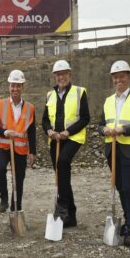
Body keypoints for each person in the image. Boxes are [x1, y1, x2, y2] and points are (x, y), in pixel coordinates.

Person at [98, 60, 130, 246]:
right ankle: (127, 222)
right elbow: (100, 124)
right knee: (120, 187)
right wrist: (103, 129)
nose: (118, 80)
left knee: (128, 188)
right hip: (112, 150)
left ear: (128, 77)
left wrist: (123, 130)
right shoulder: (108, 101)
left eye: (121, 76)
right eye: (115, 77)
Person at [42, 59, 90, 228]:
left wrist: (68, 132)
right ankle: (72, 215)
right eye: (58, 74)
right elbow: (45, 120)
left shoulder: (79, 92)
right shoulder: (50, 95)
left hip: (73, 138)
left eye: (63, 74)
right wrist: (49, 131)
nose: (61, 77)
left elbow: (85, 118)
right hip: (55, 139)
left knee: (62, 162)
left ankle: (61, 206)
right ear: (55, 76)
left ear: (69, 74)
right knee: (62, 176)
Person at [0, 69, 36, 214]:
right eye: (13, 85)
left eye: (18, 85)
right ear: (9, 86)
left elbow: (31, 131)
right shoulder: (1, 103)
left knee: (19, 179)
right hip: (2, 146)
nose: (15, 89)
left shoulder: (30, 108)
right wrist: (4, 132)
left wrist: (32, 151)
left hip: (20, 149)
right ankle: (3, 198)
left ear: (23, 87)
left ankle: (16, 206)